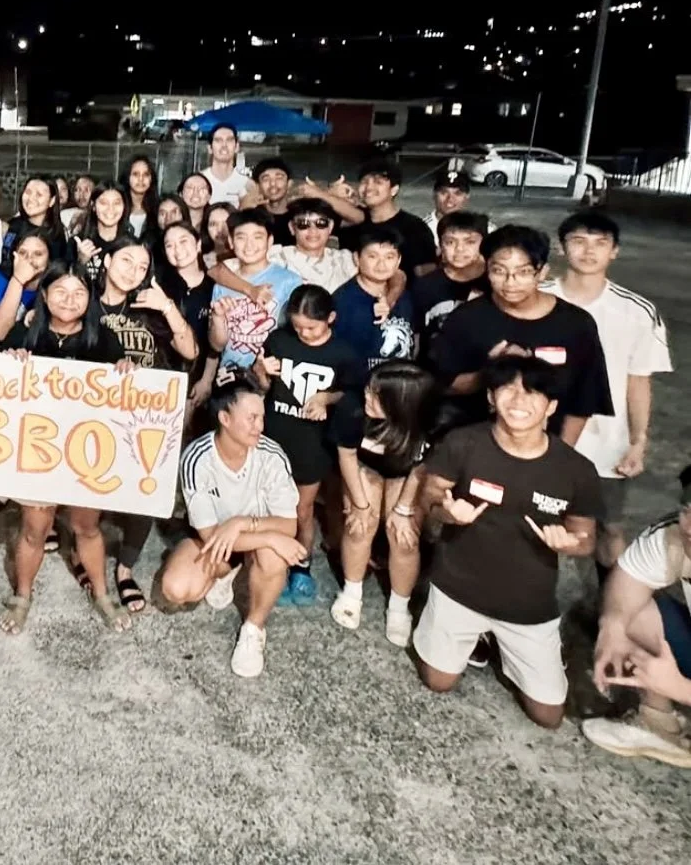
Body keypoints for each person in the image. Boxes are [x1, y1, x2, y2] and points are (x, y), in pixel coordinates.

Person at [416, 356, 602, 729]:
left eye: (532, 392)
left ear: (551, 406)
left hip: (527, 603)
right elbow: (430, 497)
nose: (518, 400)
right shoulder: (463, 442)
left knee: (548, 716)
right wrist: (446, 513)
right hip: (458, 586)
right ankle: (464, 633)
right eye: (507, 389)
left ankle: (514, 647)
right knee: (437, 682)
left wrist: (568, 543)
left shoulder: (576, 470)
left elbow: (586, 539)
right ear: (490, 397)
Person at [0, 261, 134, 635]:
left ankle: (102, 593)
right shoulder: (25, 335)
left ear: (90, 298)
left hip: (86, 452)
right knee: (34, 529)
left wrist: (125, 371)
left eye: (79, 292)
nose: (69, 300)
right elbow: (0, 390)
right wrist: (11, 363)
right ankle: (22, 595)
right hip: (38, 450)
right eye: (60, 291)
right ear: (44, 295)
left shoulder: (104, 339)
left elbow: (121, 396)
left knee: (86, 527)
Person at [544, 212, 673, 576]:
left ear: (614, 251)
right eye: (579, 241)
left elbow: (638, 380)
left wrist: (638, 441)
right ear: (561, 247)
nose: (589, 251)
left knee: (610, 528)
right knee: (532, 520)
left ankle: (614, 601)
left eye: (600, 243)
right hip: (540, 436)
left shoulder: (636, 311)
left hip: (606, 442)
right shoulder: (538, 297)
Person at [159, 372, 302, 678]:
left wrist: (241, 523)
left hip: (253, 535)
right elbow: (210, 534)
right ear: (224, 418)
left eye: (261, 418)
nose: (259, 426)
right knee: (176, 589)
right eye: (251, 418)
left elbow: (288, 525)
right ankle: (227, 571)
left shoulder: (272, 456)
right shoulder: (197, 458)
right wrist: (269, 538)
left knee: (273, 556)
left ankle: (254, 628)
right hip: (213, 540)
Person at [87, 233, 198, 610]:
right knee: (89, 488)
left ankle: (125, 568)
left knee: (145, 491)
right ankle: (84, 555)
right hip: (97, 415)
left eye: (141, 266)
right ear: (106, 262)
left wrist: (167, 306)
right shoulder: (84, 302)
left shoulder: (151, 307)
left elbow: (190, 350)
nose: (133, 271)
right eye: (125, 261)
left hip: (147, 416)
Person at [429, 225, 612, 442]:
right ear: (487, 270)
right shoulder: (466, 318)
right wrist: (491, 370)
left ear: (542, 272)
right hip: (474, 446)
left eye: (523, 272)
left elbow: (582, 401)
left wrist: (561, 453)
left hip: (543, 446)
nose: (510, 282)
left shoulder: (576, 324)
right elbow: (442, 386)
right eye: (499, 271)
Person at [255, 285, 361, 606]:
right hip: (273, 437)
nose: (303, 333)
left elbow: (352, 392)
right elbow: (263, 387)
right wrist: (261, 372)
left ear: (331, 318)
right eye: (298, 326)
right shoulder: (279, 340)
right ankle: (267, 562)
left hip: (312, 444)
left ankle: (301, 567)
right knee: (265, 505)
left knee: (302, 510)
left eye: (311, 328)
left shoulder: (343, 353)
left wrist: (327, 398)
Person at [583, 465, 691, 767]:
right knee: (630, 613)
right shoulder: (672, 535)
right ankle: (660, 724)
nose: (690, 527)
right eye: (687, 510)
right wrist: (611, 629)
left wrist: (680, 688)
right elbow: (626, 583)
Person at [328, 362, 437, 645]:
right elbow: (347, 456)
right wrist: (361, 506)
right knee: (359, 526)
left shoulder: (430, 421)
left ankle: (399, 608)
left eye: (377, 396)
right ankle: (352, 592)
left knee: (404, 536)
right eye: (368, 390)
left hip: (406, 472)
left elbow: (420, 467)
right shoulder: (352, 409)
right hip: (365, 466)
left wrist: (403, 509)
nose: (367, 397)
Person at [208, 207, 303, 373]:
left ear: (270, 241)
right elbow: (217, 346)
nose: (249, 245)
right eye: (241, 238)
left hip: (273, 374)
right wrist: (218, 317)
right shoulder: (222, 285)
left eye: (257, 237)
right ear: (231, 241)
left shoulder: (290, 281)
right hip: (231, 374)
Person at [331, 226, 418, 376]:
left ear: (398, 261)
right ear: (356, 258)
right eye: (372, 256)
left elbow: (415, 338)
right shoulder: (342, 301)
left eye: (389, 257)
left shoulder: (405, 296)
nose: (381, 264)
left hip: (402, 382)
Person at [337, 160, 437, 283]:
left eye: (378, 182)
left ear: (394, 190)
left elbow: (427, 276)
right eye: (364, 181)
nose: (369, 187)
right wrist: (331, 194)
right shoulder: (350, 220)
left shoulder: (415, 228)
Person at [411, 211, 489, 361]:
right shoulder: (425, 286)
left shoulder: (495, 284)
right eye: (450, 242)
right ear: (440, 246)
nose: (459, 249)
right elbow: (416, 336)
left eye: (470, 242)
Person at [160, 221, 218, 415]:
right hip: (163, 378)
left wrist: (206, 380)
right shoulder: (160, 286)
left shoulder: (215, 287)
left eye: (183, 241)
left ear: (198, 245)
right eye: (170, 245)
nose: (177, 250)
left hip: (200, 377)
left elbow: (216, 344)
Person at [266, 197, 358, 293]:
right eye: (303, 224)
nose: (313, 231)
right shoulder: (276, 259)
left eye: (321, 223)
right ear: (292, 228)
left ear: (330, 226)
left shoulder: (344, 260)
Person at [0, 229, 51, 343]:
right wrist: (18, 279)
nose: (29, 259)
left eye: (38, 254)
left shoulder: (54, 286)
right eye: (22, 252)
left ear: (49, 259)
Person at [71, 181, 128, 282]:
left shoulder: (132, 245)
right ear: (93, 205)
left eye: (116, 203)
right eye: (104, 203)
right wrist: (81, 262)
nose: (110, 209)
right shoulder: (77, 242)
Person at [3, 176, 68, 264]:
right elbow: (5, 259)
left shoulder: (56, 234)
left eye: (39, 195)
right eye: (28, 192)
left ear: (52, 201)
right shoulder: (14, 225)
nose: (31, 198)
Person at [199, 124, 256, 206]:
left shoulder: (247, 185)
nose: (224, 145)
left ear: (237, 147)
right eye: (218, 140)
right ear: (210, 148)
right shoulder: (197, 182)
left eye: (229, 140)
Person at [422, 171, 488, 241]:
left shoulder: (484, 228)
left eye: (457, 193)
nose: (450, 199)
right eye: (444, 193)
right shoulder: (421, 229)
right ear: (434, 195)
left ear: (466, 197)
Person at [248, 157, 295, 243]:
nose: (273, 184)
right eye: (266, 179)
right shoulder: (251, 217)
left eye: (279, 178)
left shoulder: (300, 216)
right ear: (257, 186)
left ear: (289, 184)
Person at [120, 154, 159, 237]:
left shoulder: (158, 210)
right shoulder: (117, 207)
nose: (141, 179)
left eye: (146, 174)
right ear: (127, 177)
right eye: (135, 174)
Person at [201, 202, 235, 267]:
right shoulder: (200, 260)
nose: (219, 230)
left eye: (225, 223)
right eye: (213, 224)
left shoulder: (245, 257)